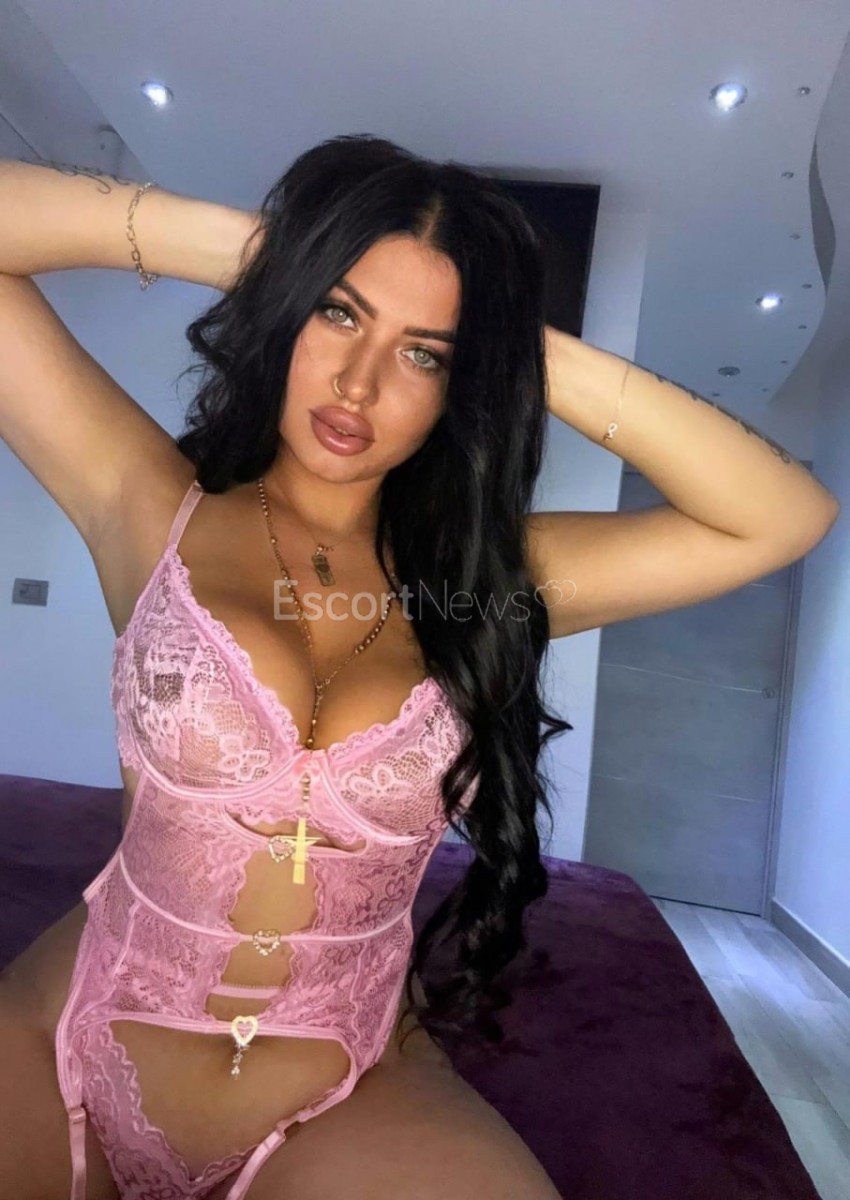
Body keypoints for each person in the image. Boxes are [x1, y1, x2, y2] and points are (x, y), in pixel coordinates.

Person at [0, 135, 839, 1200]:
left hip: (339, 1085)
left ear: (460, 383)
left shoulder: (498, 582)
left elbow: (781, 515)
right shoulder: (147, 502)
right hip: (70, 1040)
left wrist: (511, 347)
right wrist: (269, 253)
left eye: (424, 354)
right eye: (338, 313)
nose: (359, 383)